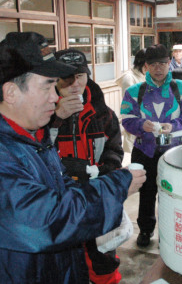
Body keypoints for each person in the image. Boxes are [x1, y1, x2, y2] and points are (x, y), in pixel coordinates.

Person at [0, 31, 146, 284]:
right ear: (11, 92)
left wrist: (100, 177)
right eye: (47, 86)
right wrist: (116, 186)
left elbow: (61, 189)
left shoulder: (29, 136)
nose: (56, 96)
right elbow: (47, 220)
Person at [51, 48, 124, 284]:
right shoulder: (41, 112)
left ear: (88, 76)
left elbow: (115, 152)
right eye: (66, 78)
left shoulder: (104, 115)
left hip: (96, 196)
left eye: (80, 77)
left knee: (102, 255)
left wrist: (98, 172)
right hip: (57, 200)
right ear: (55, 80)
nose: (74, 84)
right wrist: (57, 118)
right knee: (62, 258)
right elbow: (32, 147)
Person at [121, 44, 182, 247]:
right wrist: (141, 125)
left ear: (169, 63)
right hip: (144, 150)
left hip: (175, 152)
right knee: (146, 193)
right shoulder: (134, 91)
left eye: (162, 63)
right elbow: (127, 120)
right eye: (153, 64)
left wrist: (172, 126)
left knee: (172, 193)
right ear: (146, 66)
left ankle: (170, 233)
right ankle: (145, 231)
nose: (158, 68)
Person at [116, 48, 147, 153]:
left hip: (148, 123)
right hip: (135, 123)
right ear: (142, 63)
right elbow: (130, 104)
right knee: (135, 155)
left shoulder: (145, 76)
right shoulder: (129, 78)